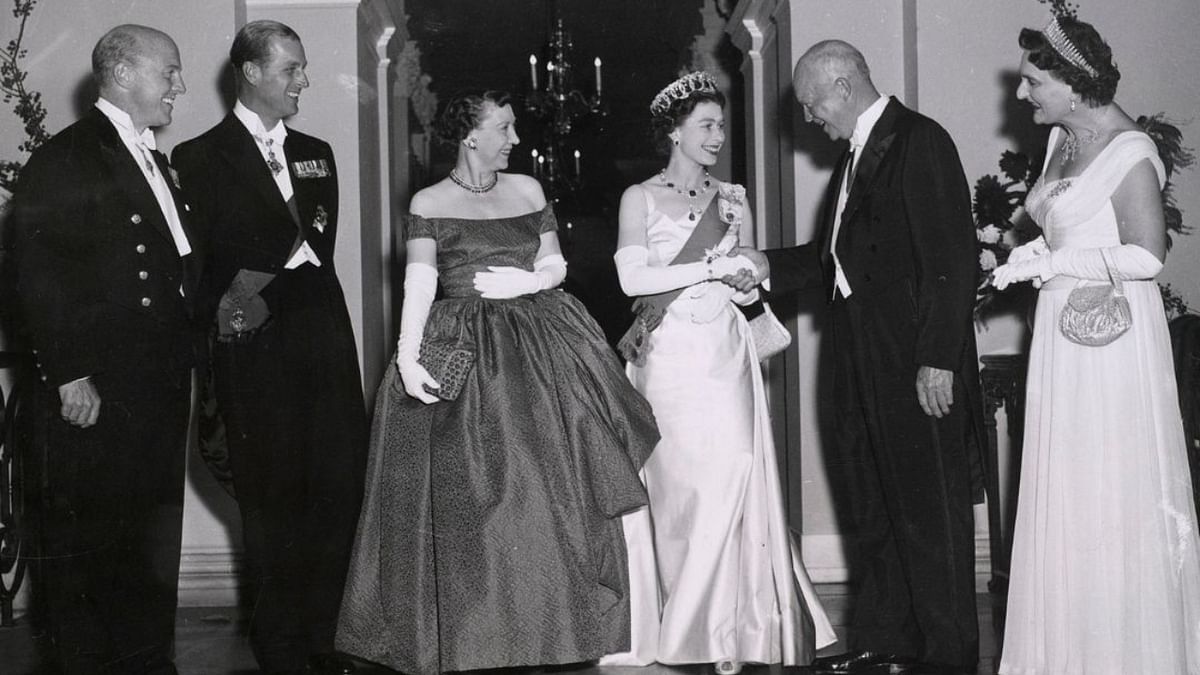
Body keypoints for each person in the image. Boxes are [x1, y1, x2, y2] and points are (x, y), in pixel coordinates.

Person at [334, 90, 659, 675]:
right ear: (470, 136)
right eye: (503, 128)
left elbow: (556, 263)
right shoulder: (430, 201)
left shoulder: (529, 189)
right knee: (475, 500)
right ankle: (474, 638)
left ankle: (552, 632)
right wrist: (409, 355)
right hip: (462, 346)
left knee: (543, 493)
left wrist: (530, 283)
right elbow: (419, 284)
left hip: (539, 347)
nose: (514, 139)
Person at [733, 41, 985, 675]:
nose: (812, 119)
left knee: (929, 513)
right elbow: (831, 261)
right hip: (856, 357)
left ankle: (948, 658)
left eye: (815, 105)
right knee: (870, 503)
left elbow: (952, 261)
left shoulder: (920, 141)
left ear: (844, 86)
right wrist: (765, 265)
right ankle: (887, 640)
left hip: (914, 363)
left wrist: (937, 359)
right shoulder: (853, 158)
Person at [600, 71, 836, 673]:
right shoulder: (640, 198)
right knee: (678, 491)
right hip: (669, 357)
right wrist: (707, 269)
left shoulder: (732, 196)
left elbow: (747, 277)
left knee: (735, 467)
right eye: (706, 125)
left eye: (721, 125)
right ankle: (681, 622)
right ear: (674, 133)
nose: (718, 135)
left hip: (724, 352)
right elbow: (633, 282)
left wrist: (743, 279)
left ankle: (729, 630)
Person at [990, 15, 1200, 675]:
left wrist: (1055, 267)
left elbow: (1146, 255)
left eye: (1033, 82)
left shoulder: (1132, 148)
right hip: (1058, 335)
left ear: (1073, 84)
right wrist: (1026, 257)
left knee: (1109, 488)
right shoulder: (1057, 139)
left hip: (1111, 343)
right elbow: (1059, 229)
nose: (1023, 96)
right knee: (1064, 487)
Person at [172, 20, 366, 675]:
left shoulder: (317, 152)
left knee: (336, 486)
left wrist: (278, 265)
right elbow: (204, 265)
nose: (303, 81)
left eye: (305, 68)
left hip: (322, 338)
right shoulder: (198, 158)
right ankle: (280, 645)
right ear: (251, 72)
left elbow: (320, 247)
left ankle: (326, 635)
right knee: (273, 499)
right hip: (253, 344)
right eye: (291, 69)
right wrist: (254, 289)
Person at [12, 24, 197, 674]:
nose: (180, 84)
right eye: (168, 70)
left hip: (153, 389)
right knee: (88, 564)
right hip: (93, 396)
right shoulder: (70, 156)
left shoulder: (153, 159)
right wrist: (68, 374)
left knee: (147, 554)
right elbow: (39, 269)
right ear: (121, 73)